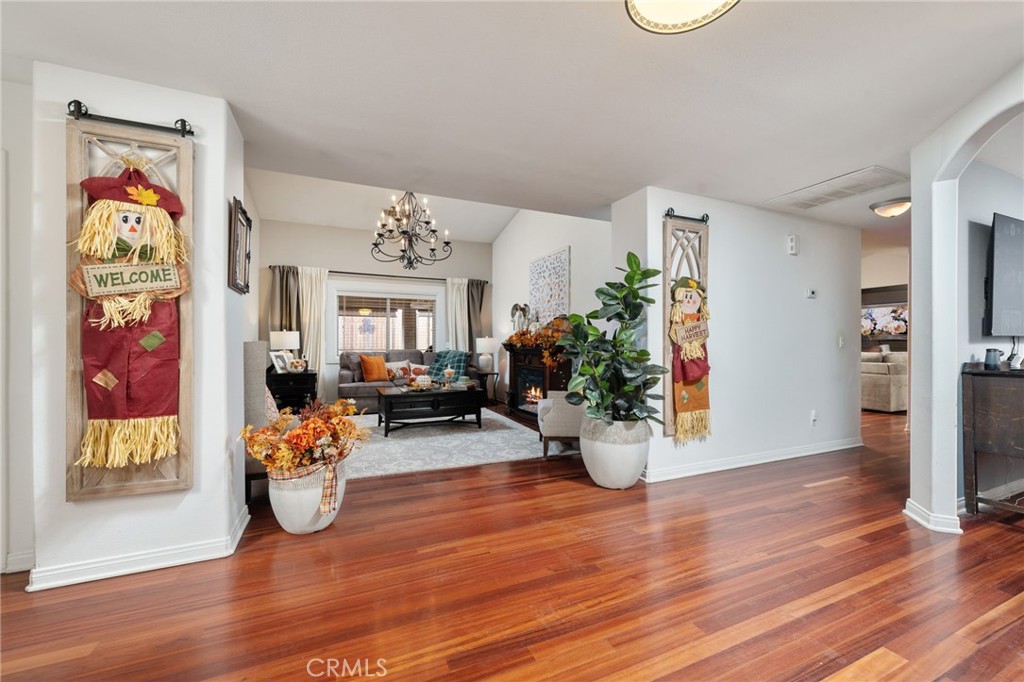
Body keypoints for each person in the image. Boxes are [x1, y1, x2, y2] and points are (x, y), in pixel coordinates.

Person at [68, 160, 190, 467]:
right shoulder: (95, 263)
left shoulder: (166, 266)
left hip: (154, 332)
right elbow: (85, 284)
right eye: (125, 219)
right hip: (107, 331)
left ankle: (149, 435)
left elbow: (176, 285)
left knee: (152, 368)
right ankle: (111, 437)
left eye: (138, 220)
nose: (132, 227)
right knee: (105, 375)